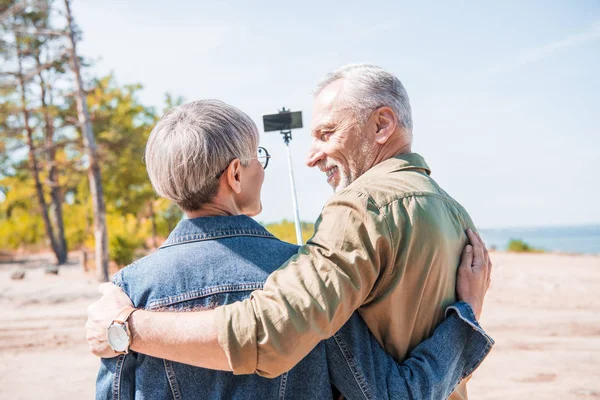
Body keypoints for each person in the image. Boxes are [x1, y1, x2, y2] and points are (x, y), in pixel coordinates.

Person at [87, 65, 493, 400]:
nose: (311, 157)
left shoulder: (124, 293)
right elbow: (384, 388)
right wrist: (466, 320)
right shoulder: (451, 214)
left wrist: (127, 326)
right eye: (258, 157)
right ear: (235, 174)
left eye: (326, 132)